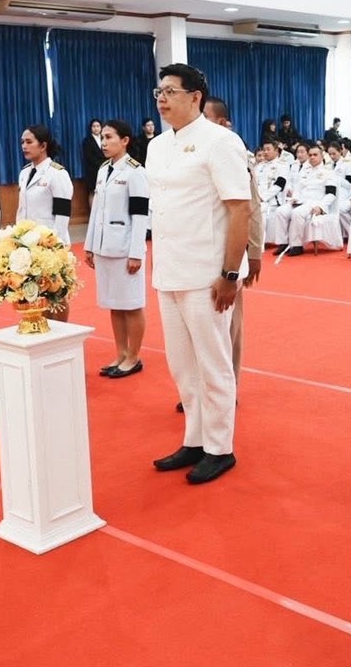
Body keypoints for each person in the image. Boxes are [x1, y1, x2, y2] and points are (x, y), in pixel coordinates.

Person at [145, 63, 251, 485]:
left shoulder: (220, 141)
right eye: (159, 92)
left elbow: (239, 209)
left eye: (171, 91)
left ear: (195, 97)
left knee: (214, 363)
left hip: (207, 273)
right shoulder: (156, 146)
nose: (162, 99)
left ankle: (220, 447)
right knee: (182, 366)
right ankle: (195, 437)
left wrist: (229, 272)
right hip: (169, 268)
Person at [203, 96, 265, 402]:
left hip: (230, 251)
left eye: (206, 117)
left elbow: (251, 207)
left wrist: (253, 252)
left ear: (223, 122)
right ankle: (205, 388)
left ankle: (229, 387)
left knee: (229, 327)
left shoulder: (235, 152)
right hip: (198, 252)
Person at [85, 120, 150, 378]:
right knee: (114, 304)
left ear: (125, 141)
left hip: (125, 248)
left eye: (109, 137)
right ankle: (121, 352)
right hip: (104, 247)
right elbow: (96, 213)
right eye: (102, 137)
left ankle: (133, 356)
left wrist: (136, 252)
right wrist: (90, 245)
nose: (104, 142)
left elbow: (140, 215)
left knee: (131, 305)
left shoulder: (135, 172)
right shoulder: (103, 170)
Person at [15, 124, 74, 321]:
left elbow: (63, 213)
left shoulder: (57, 173)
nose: (24, 145)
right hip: (28, 243)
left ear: (43, 145)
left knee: (56, 292)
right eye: (23, 142)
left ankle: (61, 333)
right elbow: (21, 210)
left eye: (29, 142)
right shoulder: (24, 173)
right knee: (35, 292)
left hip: (50, 244)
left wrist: (56, 244)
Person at [81, 118, 105, 195]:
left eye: (98, 126)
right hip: (93, 170)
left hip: (106, 169)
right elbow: (89, 157)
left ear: (101, 128)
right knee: (93, 192)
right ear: (91, 128)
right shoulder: (87, 140)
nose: (96, 128)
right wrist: (101, 164)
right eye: (94, 126)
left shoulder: (105, 139)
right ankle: (93, 208)